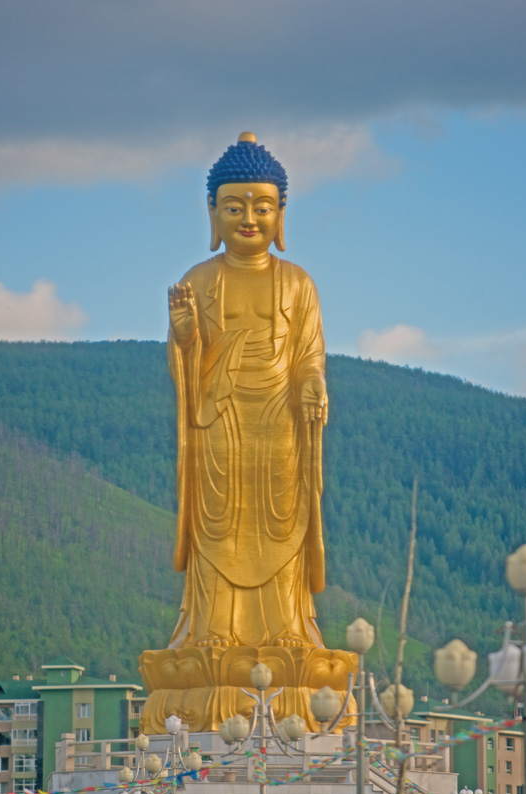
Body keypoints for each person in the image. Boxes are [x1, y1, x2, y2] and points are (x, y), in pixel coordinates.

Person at [166, 133, 328, 654]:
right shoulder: (200, 279)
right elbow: (184, 361)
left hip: (280, 421)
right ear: (212, 213)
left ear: (282, 213)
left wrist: (313, 384)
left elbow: (308, 353)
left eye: (262, 206)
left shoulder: (298, 283)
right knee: (216, 525)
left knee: (283, 523)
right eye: (234, 207)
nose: (248, 218)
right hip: (220, 420)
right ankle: (214, 631)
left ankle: (286, 630)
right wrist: (186, 334)